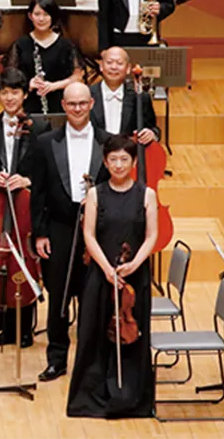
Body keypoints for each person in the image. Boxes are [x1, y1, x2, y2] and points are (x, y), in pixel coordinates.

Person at [66, 135, 158, 419]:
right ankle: (91, 396)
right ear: (105, 162)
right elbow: (89, 235)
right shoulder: (95, 195)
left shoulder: (146, 194)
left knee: (131, 335)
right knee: (93, 332)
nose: (119, 165)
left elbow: (152, 235)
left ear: (133, 162)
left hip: (134, 277)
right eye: (113, 160)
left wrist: (134, 264)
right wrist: (107, 268)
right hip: (100, 273)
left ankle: (131, 397)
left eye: (124, 159)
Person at [32, 83, 111, 382]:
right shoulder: (45, 142)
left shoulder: (108, 142)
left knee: (94, 295)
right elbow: (37, 193)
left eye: (82, 103)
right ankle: (57, 358)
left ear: (91, 103)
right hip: (60, 228)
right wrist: (40, 234)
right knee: (59, 297)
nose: (77, 109)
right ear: (63, 106)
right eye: (71, 104)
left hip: (97, 231)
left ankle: (94, 360)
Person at [0, 68, 47, 346]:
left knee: (22, 259)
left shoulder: (38, 127)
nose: (9, 98)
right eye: (4, 93)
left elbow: (46, 170)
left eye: (15, 92)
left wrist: (27, 180)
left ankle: (25, 329)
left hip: (25, 203)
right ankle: (4, 328)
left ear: (25, 94)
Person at [7, 0, 80, 114]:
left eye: (46, 14)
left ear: (53, 17)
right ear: (30, 16)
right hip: (28, 107)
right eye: (37, 14)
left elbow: (77, 77)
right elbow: (10, 78)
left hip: (60, 105)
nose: (41, 19)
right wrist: (28, 84)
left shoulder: (66, 45)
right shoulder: (20, 44)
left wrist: (53, 86)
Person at [90, 46, 161, 145]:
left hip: (128, 156)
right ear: (101, 66)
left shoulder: (140, 96)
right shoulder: (87, 95)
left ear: (128, 69)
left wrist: (152, 134)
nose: (114, 67)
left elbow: (153, 128)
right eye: (109, 62)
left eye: (119, 63)